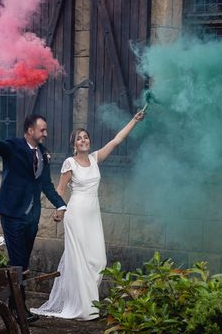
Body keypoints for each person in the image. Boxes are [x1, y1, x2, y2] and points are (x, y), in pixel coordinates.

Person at [32, 109, 145, 320]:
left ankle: (87, 305)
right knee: (81, 262)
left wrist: (134, 120)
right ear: (74, 145)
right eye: (79, 139)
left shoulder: (95, 158)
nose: (83, 140)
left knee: (98, 261)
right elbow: (60, 189)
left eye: (85, 137)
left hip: (93, 216)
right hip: (76, 216)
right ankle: (86, 309)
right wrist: (59, 209)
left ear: (89, 142)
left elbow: (117, 140)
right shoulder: (70, 163)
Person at [0, 104, 66, 322]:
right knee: (17, 263)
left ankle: (13, 306)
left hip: (31, 217)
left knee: (23, 263)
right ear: (30, 130)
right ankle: (19, 310)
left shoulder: (44, 154)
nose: (45, 133)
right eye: (42, 130)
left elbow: (46, 184)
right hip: (12, 213)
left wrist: (61, 204)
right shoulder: (14, 146)